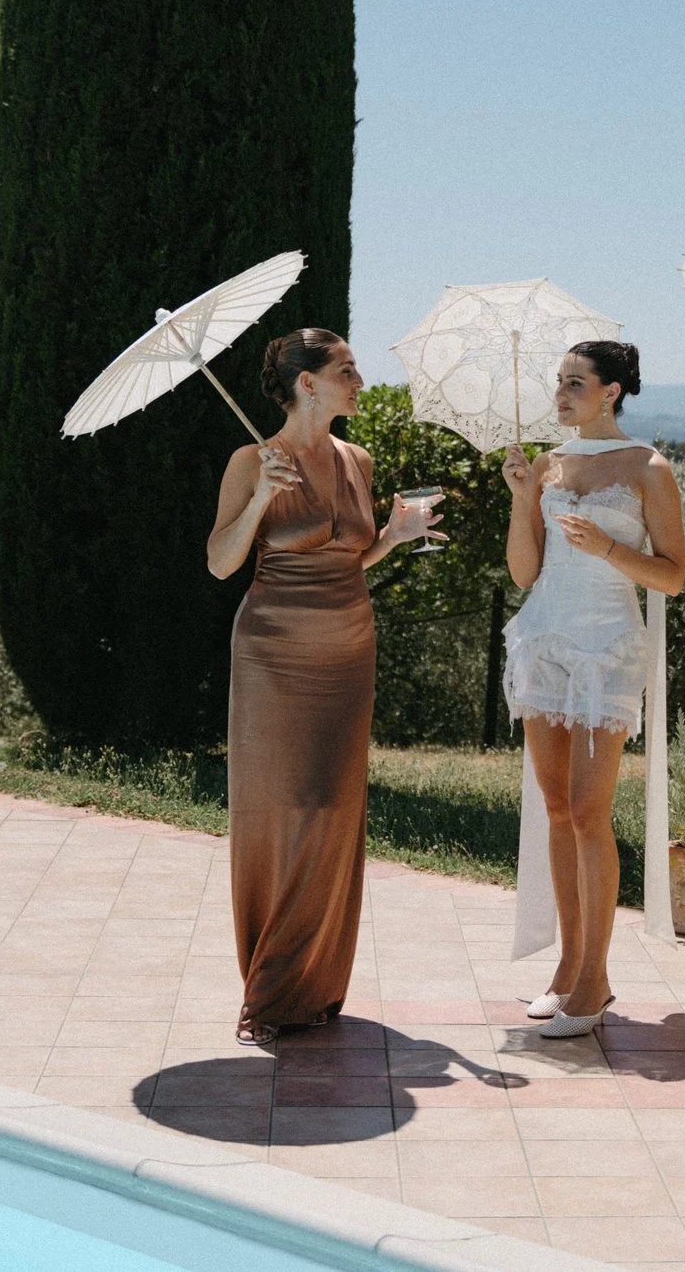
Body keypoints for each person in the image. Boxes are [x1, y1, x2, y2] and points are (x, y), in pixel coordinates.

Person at [207, 328, 439, 1045]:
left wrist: (394, 536)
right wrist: (258, 502)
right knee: (283, 807)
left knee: (335, 805)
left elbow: (350, 556)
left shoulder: (356, 459)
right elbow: (220, 562)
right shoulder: (252, 459)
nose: (359, 380)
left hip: (349, 646)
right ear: (308, 383)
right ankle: (274, 984)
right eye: (346, 370)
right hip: (274, 652)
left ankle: (317, 981)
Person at [498, 341, 685, 1038]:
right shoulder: (548, 464)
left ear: (612, 391)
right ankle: (567, 969)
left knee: (588, 807)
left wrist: (609, 548)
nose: (561, 392)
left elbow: (672, 576)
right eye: (558, 381)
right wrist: (525, 501)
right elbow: (523, 572)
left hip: (606, 648)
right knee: (555, 806)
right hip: (544, 641)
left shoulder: (648, 467)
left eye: (574, 382)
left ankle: (597, 979)